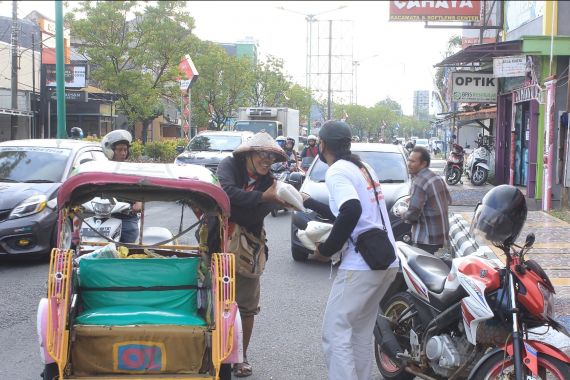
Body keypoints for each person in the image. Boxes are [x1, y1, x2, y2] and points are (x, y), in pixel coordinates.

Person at [302, 120, 399, 380]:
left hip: (361, 265)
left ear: (322, 146)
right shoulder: (363, 168)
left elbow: (352, 210)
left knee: (335, 332)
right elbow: (352, 211)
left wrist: (326, 248)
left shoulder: (336, 171)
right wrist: (310, 203)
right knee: (358, 332)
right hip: (384, 260)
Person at [206, 131, 287, 378]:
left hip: (248, 250)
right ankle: (208, 351)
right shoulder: (230, 165)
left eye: (271, 157)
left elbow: (253, 215)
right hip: (216, 243)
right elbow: (225, 193)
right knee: (210, 300)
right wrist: (260, 198)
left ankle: (241, 356)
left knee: (247, 306)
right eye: (262, 154)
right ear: (249, 154)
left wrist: (239, 204)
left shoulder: (271, 181)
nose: (267, 160)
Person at [402, 146, 452, 254]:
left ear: (423, 164)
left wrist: (403, 214)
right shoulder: (436, 177)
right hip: (441, 234)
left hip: (427, 238)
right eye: (409, 160)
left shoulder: (419, 182)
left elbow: (412, 214)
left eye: (413, 161)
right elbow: (448, 200)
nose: (409, 164)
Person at [101, 130, 142, 243]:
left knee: (132, 243)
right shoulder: (101, 171)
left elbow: (140, 191)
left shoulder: (131, 171)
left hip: (127, 218)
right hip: (104, 217)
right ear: (111, 151)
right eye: (119, 150)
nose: (123, 153)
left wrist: (139, 203)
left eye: (125, 150)